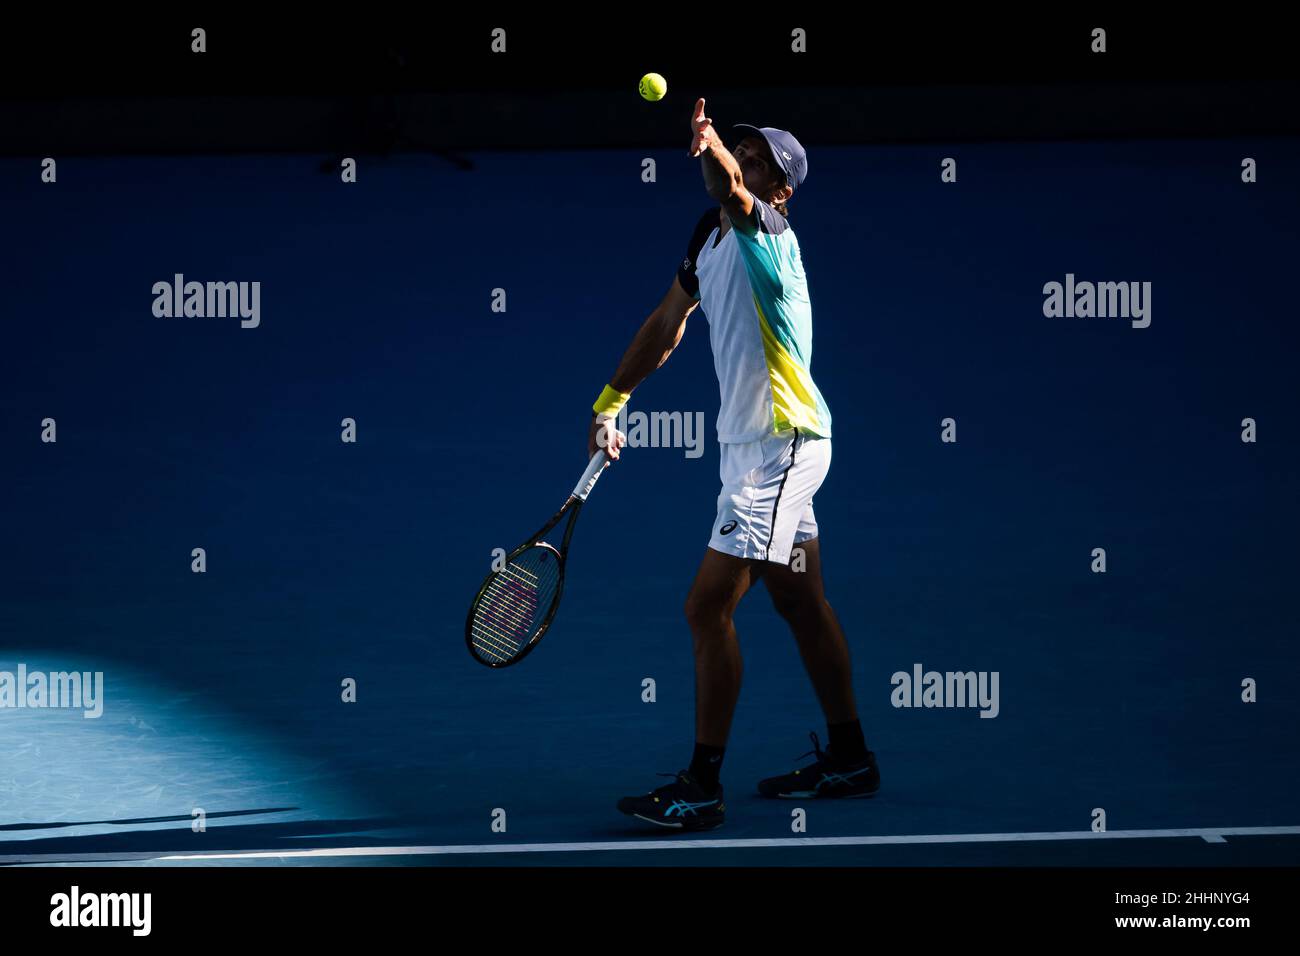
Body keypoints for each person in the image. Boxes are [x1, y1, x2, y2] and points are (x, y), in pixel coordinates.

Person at [591, 98, 879, 831]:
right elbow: (667, 323)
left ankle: (700, 786)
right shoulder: (708, 237)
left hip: (781, 447)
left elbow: (728, 190)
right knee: (799, 602)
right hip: (754, 447)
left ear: (780, 191)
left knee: (705, 606)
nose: (746, 162)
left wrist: (713, 149)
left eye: (760, 162)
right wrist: (610, 401)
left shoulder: (769, 231)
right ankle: (851, 758)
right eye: (742, 150)